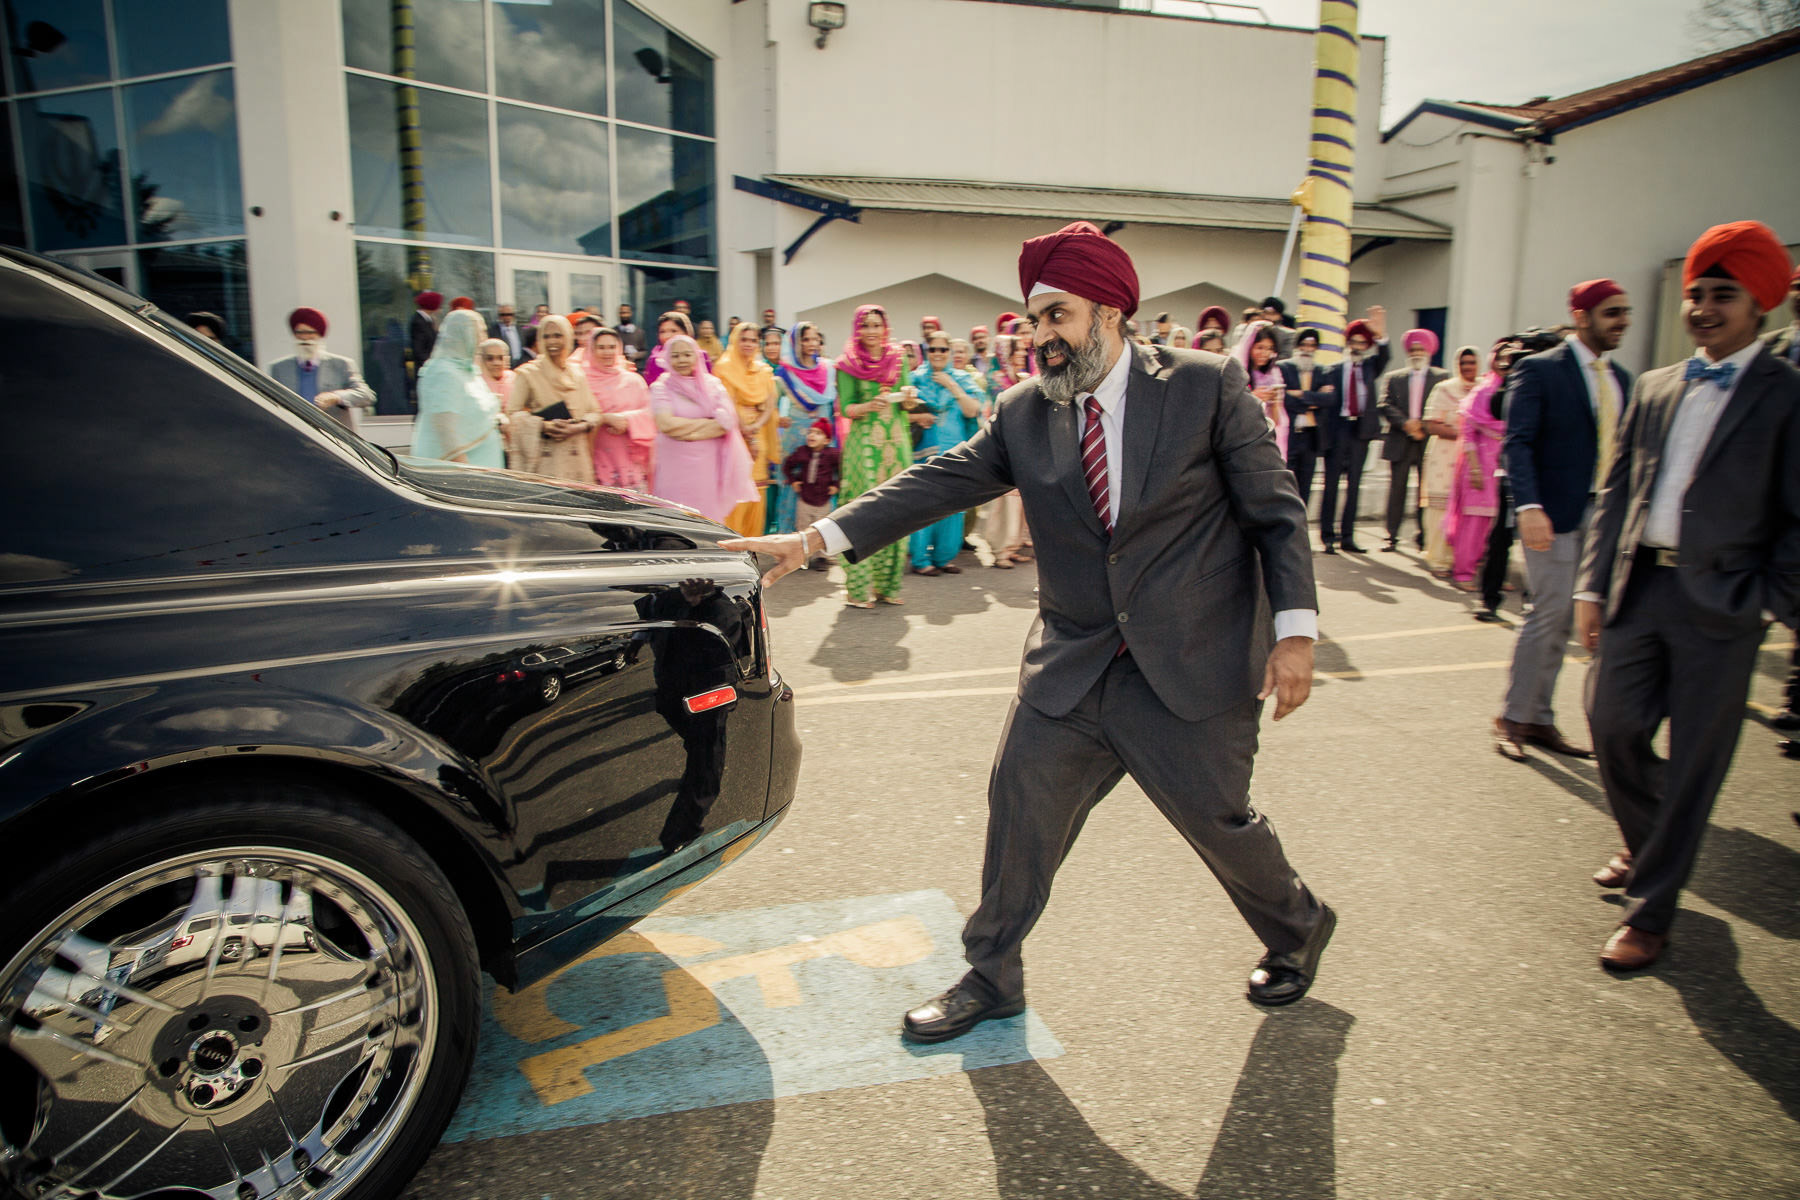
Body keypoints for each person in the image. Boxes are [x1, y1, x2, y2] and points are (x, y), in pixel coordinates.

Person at [719, 220, 1330, 1041]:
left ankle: (1297, 927)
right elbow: (935, 481)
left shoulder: (1204, 386)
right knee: (1020, 808)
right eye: (1033, 320)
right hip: (1075, 662)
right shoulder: (1023, 412)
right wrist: (814, 538)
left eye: (1057, 317)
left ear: (1110, 313)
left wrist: (1295, 633)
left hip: (1190, 660)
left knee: (1219, 823)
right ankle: (991, 976)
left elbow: (1277, 515)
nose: (1039, 337)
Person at [1575, 221, 1799, 971]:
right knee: (1610, 726)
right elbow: (1615, 493)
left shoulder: (1787, 394)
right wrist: (1591, 587)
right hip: (1642, 590)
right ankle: (1652, 844)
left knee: (1697, 761)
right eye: (1695, 293)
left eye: (1721, 295)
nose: (1703, 307)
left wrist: (1767, 598)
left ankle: (1652, 909)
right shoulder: (1657, 386)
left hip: (1725, 607)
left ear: (1760, 304)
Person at [1493, 280, 1633, 762]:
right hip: (1551, 514)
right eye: (1612, 312)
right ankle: (1513, 718)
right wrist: (1528, 506)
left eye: (1625, 312)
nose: (1623, 321)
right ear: (1582, 315)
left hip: (1605, 514)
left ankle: (1540, 718)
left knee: (1579, 623)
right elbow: (1518, 442)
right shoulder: (1540, 369)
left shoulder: (1623, 379)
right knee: (1549, 612)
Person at [832, 305, 914, 607]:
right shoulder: (846, 364)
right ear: (857, 329)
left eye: (876, 325)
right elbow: (845, 408)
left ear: (885, 327)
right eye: (865, 325)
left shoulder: (898, 357)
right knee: (862, 512)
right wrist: (869, 406)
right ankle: (857, 589)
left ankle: (887, 587)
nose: (871, 331)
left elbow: (905, 403)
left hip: (896, 444)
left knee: (897, 510)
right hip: (864, 448)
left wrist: (908, 399)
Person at [649, 335, 758, 523]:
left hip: (707, 464)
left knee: (706, 517)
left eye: (687, 354)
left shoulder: (713, 385)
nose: (682, 360)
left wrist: (687, 432)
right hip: (674, 465)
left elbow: (726, 423)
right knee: (674, 517)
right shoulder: (661, 387)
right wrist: (707, 422)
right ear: (667, 359)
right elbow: (665, 424)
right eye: (675, 356)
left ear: (696, 357)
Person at [907, 331, 983, 575]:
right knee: (922, 503)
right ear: (926, 352)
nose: (938, 354)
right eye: (933, 349)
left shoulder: (962, 378)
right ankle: (921, 559)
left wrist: (951, 385)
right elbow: (899, 412)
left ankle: (944, 557)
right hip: (924, 449)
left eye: (943, 350)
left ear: (949, 353)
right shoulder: (914, 379)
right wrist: (918, 416)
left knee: (953, 504)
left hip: (955, 448)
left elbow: (972, 411)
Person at [1317, 313, 1390, 553]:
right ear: (1347, 343)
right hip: (1338, 429)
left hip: (1361, 430)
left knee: (1354, 484)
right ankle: (1328, 536)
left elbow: (1385, 356)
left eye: (1362, 343)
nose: (1357, 347)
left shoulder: (1370, 367)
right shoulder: (1333, 370)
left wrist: (1380, 335)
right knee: (1331, 485)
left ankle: (1348, 537)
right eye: (1354, 342)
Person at [1442, 341, 1509, 589]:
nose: (1505, 363)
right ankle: (1463, 573)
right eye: (1501, 358)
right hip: (1479, 463)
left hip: (1506, 462)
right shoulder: (1483, 391)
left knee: (1500, 523)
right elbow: (1468, 432)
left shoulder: (1516, 389)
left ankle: (1494, 571)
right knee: (1474, 522)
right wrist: (1476, 468)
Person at [1378, 329, 1450, 553]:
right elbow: (1384, 404)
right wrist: (1406, 423)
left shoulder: (1442, 377)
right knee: (1396, 489)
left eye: (1421, 349)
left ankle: (1423, 536)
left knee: (1425, 492)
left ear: (1429, 351)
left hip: (1427, 442)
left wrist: (1423, 426)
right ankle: (1392, 536)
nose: (1417, 353)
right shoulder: (1395, 377)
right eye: (1413, 349)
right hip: (1401, 439)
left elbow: (1446, 407)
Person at [505, 315, 600, 481]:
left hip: (577, 460)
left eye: (558, 335)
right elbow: (512, 414)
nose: (551, 342)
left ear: (568, 337)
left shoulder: (577, 373)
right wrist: (542, 425)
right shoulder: (528, 373)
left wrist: (580, 426)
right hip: (545, 462)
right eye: (546, 336)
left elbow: (595, 412)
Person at [411, 308, 505, 467]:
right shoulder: (443, 373)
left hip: (485, 470)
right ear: (463, 334)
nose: (484, 340)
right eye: (479, 332)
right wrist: (466, 474)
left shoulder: (467, 370)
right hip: (463, 476)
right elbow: (445, 430)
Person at [714, 321, 781, 537]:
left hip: (757, 434)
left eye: (753, 340)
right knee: (736, 487)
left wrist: (756, 426)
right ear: (734, 340)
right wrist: (744, 428)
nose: (749, 344)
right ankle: (731, 542)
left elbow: (770, 404)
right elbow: (727, 403)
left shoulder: (763, 370)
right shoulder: (724, 368)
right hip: (732, 435)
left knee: (757, 487)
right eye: (744, 339)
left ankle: (752, 544)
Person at [771, 322, 838, 534]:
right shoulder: (785, 373)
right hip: (796, 439)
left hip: (824, 437)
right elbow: (770, 406)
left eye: (815, 338)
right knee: (795, 486)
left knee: (824, 484)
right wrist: (779, 418)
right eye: (805, 339)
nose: (811, 343)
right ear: (794, 344)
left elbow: (835, 404)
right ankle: (789, 540)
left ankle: (822, 544)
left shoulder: (828, 369)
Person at [267, 307, 377, 432]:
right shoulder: (279, 368)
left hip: (332, 439)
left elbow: (367, 396)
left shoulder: (341, 364)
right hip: (294, 435)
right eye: (299, 333)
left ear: (320, 335)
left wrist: (336, 397)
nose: (304, 338)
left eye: (310, 333)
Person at [1421, 345, 1481, 576]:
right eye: (1463, 363)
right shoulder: (1444, 388)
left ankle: (1463, 558)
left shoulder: (1483, 389)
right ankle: (1438, 558)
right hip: (1445, 453)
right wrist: (1465, 434)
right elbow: (1431, 424)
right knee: (1441, 504)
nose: (1468, 367)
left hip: (1475, 456)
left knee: (1468, 507)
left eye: (1472, 362)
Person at [585, 325, 656, 491]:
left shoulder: (633, 380)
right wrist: (603, 418)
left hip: (631, 460)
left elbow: (651, 414)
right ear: (591, 350)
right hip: (598, 457)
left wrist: (626, 419)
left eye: (612, 347)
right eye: (601, 347)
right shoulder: (582, 380)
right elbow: (579, 414)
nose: (607, 352)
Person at [1277, 328, 1336, 509]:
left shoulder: (1323, 371)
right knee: (1286, 483)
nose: (1307, 349)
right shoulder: (1283, 367)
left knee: (1305, 485)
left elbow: (1330, 400)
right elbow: (1283, 399)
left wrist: (1301, 394)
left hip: (1311, 436)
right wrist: (1313, 399)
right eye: (1303, 345)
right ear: (1297, 346)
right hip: (1290, 435)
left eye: (1311, 345)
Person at [783, 419, 841, 568]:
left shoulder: (832, 454)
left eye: (818, 433)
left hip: (823, 500)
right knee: (802, 528)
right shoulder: (802, 452)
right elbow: (788, 465)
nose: (812, 435)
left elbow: (843, 470)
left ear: (827, 439)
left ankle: (821, 558)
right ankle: (801, 558)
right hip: (805, 499)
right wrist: (794, 481)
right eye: (810, 432)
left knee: (822, 530)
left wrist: (836, 485)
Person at [1233, 321, 1289, 460]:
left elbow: (1277, 421)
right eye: (1260, 347)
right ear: (1250, 347)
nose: (1265, 353)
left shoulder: (1274, 374)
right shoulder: (1237, 372)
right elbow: (1231, 408)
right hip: (1242, 437)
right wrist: (1252, 397)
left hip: (1267, 438)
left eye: (1270, 348)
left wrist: (1275, 402)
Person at [643, 311, 697, 387]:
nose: (667, 336)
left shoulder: (700, 356)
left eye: (673, 331)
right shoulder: (655, 361)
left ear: (686, 333)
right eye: (662, 332)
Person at [409, 290, 442, 403]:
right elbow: (419, 349)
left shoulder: (427, 320)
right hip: (426, 371)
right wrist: (430, 365)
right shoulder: (419, 322)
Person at [489, 302, 530, 367]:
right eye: (503, 315)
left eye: (509, 314)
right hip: (504, 365)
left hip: (521, 364)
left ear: (513, 315)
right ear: (499, 316)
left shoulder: (520, 330)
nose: (506, 317)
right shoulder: (493, 331)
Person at [616, 302, 648, 368]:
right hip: (620, 367)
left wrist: (636, 355)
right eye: (622, 313)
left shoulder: (639, 332)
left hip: (637, 367)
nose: (624, 316)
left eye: (626, 313)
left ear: (631, 313)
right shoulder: (614, 332)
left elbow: (645, 351)